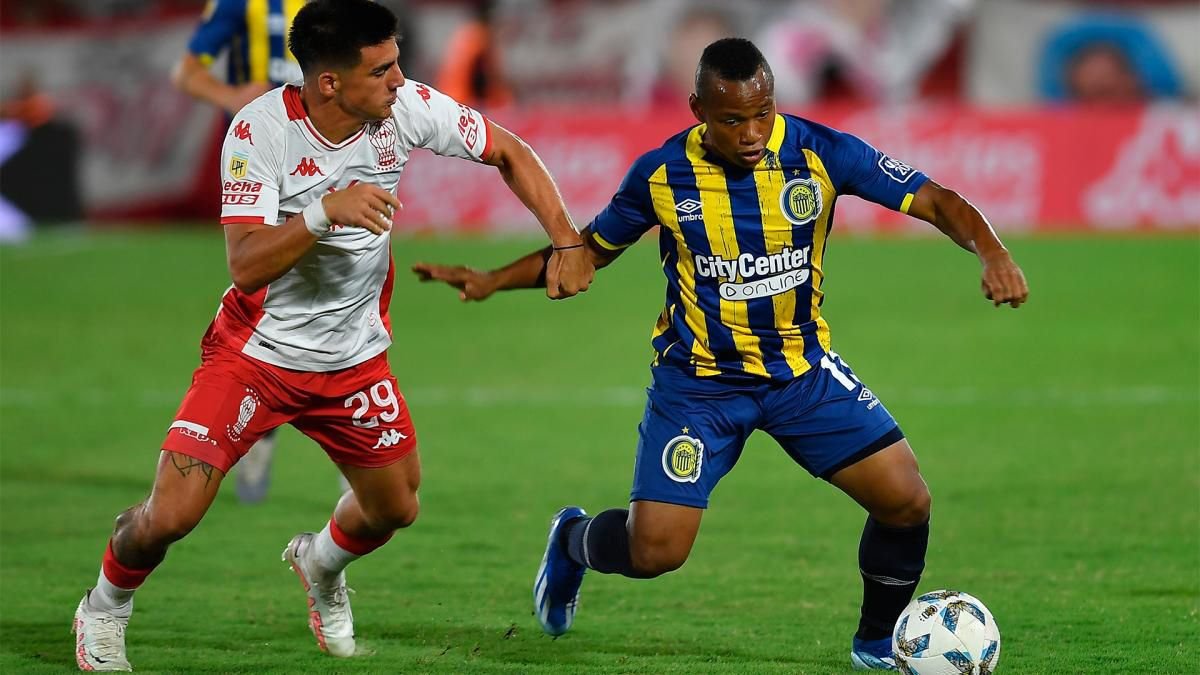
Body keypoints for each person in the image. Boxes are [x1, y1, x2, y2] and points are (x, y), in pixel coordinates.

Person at [414, 38, 1028, 671]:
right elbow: (587, 250)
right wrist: (493, 280)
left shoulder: (820, 152)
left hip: (800, 375)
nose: (752, 132)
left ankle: (875, 641)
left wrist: (993, 252)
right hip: (698, 387)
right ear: (698, 110)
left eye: (762, 113)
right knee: (655, 552)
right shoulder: (661, 175)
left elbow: (934, 199)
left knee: (906, 501)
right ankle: (572, 540)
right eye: (733, 119)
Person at [72, 1, 594, 671]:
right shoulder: (259, 130)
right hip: (256, 357)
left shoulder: (406, 108)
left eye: (397, 63)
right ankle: (104, 606)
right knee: (170, 515)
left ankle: (319, 562)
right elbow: (245, 264)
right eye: (381, 70)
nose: (399, 80)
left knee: (395, 507)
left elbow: (508, 151)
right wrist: (323, 210)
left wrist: (567, 239)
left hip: (353, 359)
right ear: (329, 82)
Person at [171, 0, 309, 503]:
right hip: (264, 162)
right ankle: (258, 431)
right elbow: (186, 73)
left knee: (344, 290)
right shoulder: (241, 3)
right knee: (269, 294)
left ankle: (354, 453)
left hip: (330, 156)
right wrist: (232, 97)